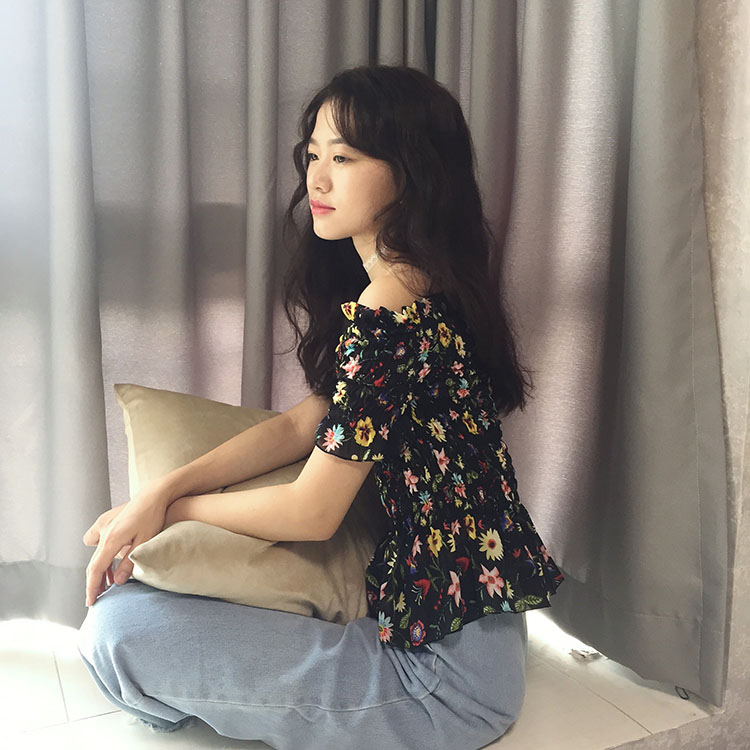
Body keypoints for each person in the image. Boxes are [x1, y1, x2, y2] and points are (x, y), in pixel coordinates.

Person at [77, 65, 563, 750]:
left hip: (442, 682)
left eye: (345, 157)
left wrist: (172, 511)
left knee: (117, 632)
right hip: (456, 630)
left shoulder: (391, 305)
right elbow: (300, 425)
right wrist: (159, 493)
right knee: (135, 615)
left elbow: (311, 513)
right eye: (313, 155)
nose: (318, 179)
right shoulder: (425, 284)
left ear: (411, 173)